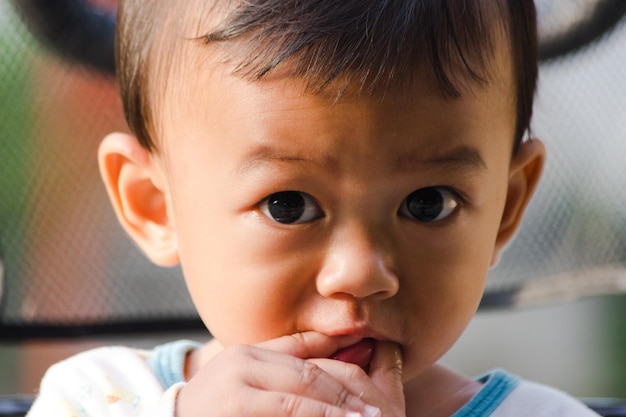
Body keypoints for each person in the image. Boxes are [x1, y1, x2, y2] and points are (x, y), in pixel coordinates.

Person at [27, 0, 600, 416]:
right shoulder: (97, 397)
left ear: (505, 207)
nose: (362, 272)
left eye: (428, 204)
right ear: (155, 206)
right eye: (288, 205)